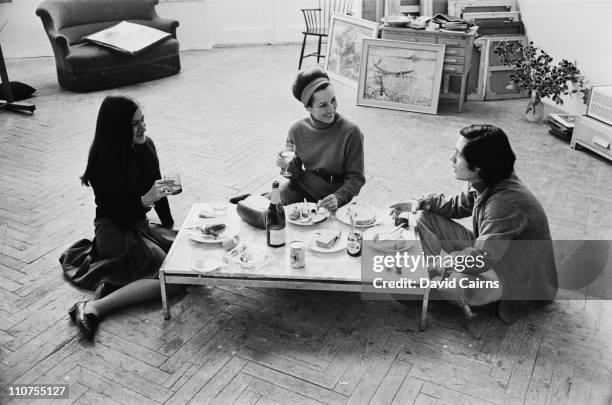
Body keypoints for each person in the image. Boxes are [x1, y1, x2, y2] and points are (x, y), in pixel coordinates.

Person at [391, 125, 558, 324]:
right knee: (425, 216)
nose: (451, 159)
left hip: (519, 283)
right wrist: (421, 203)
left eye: (458, 155)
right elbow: (456, 205)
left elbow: (481, 258)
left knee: (457, 284)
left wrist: (439, 266)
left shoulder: (505, 203)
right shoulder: (487, 178)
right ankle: (425, 282)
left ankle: (432, 287)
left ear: (478, 167)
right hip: (497, 255)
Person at [60, 95, 182, 338]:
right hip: (114, 230)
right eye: (134, 123)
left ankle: (115, 282)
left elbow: (156, 186)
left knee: (181, 254)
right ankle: (93, 307)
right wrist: (146, 200)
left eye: (143, 120)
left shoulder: (146, 145)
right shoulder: (102, 163)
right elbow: (122, 217)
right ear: (117, 129)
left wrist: (167, 225)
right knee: (172, 278)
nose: (143, 127)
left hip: (138, 224)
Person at [275, 67, 365, 212]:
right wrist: (285, 166)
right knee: (269, 207)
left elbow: (356, 178)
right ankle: (250, 201)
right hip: (300, 187)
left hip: (332, 197)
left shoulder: (351, 132)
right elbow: (293, 174)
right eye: (323, 105)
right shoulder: (296, 130)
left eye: (333, 100)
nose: (331, 109)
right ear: (308, 107)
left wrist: (339, 197)